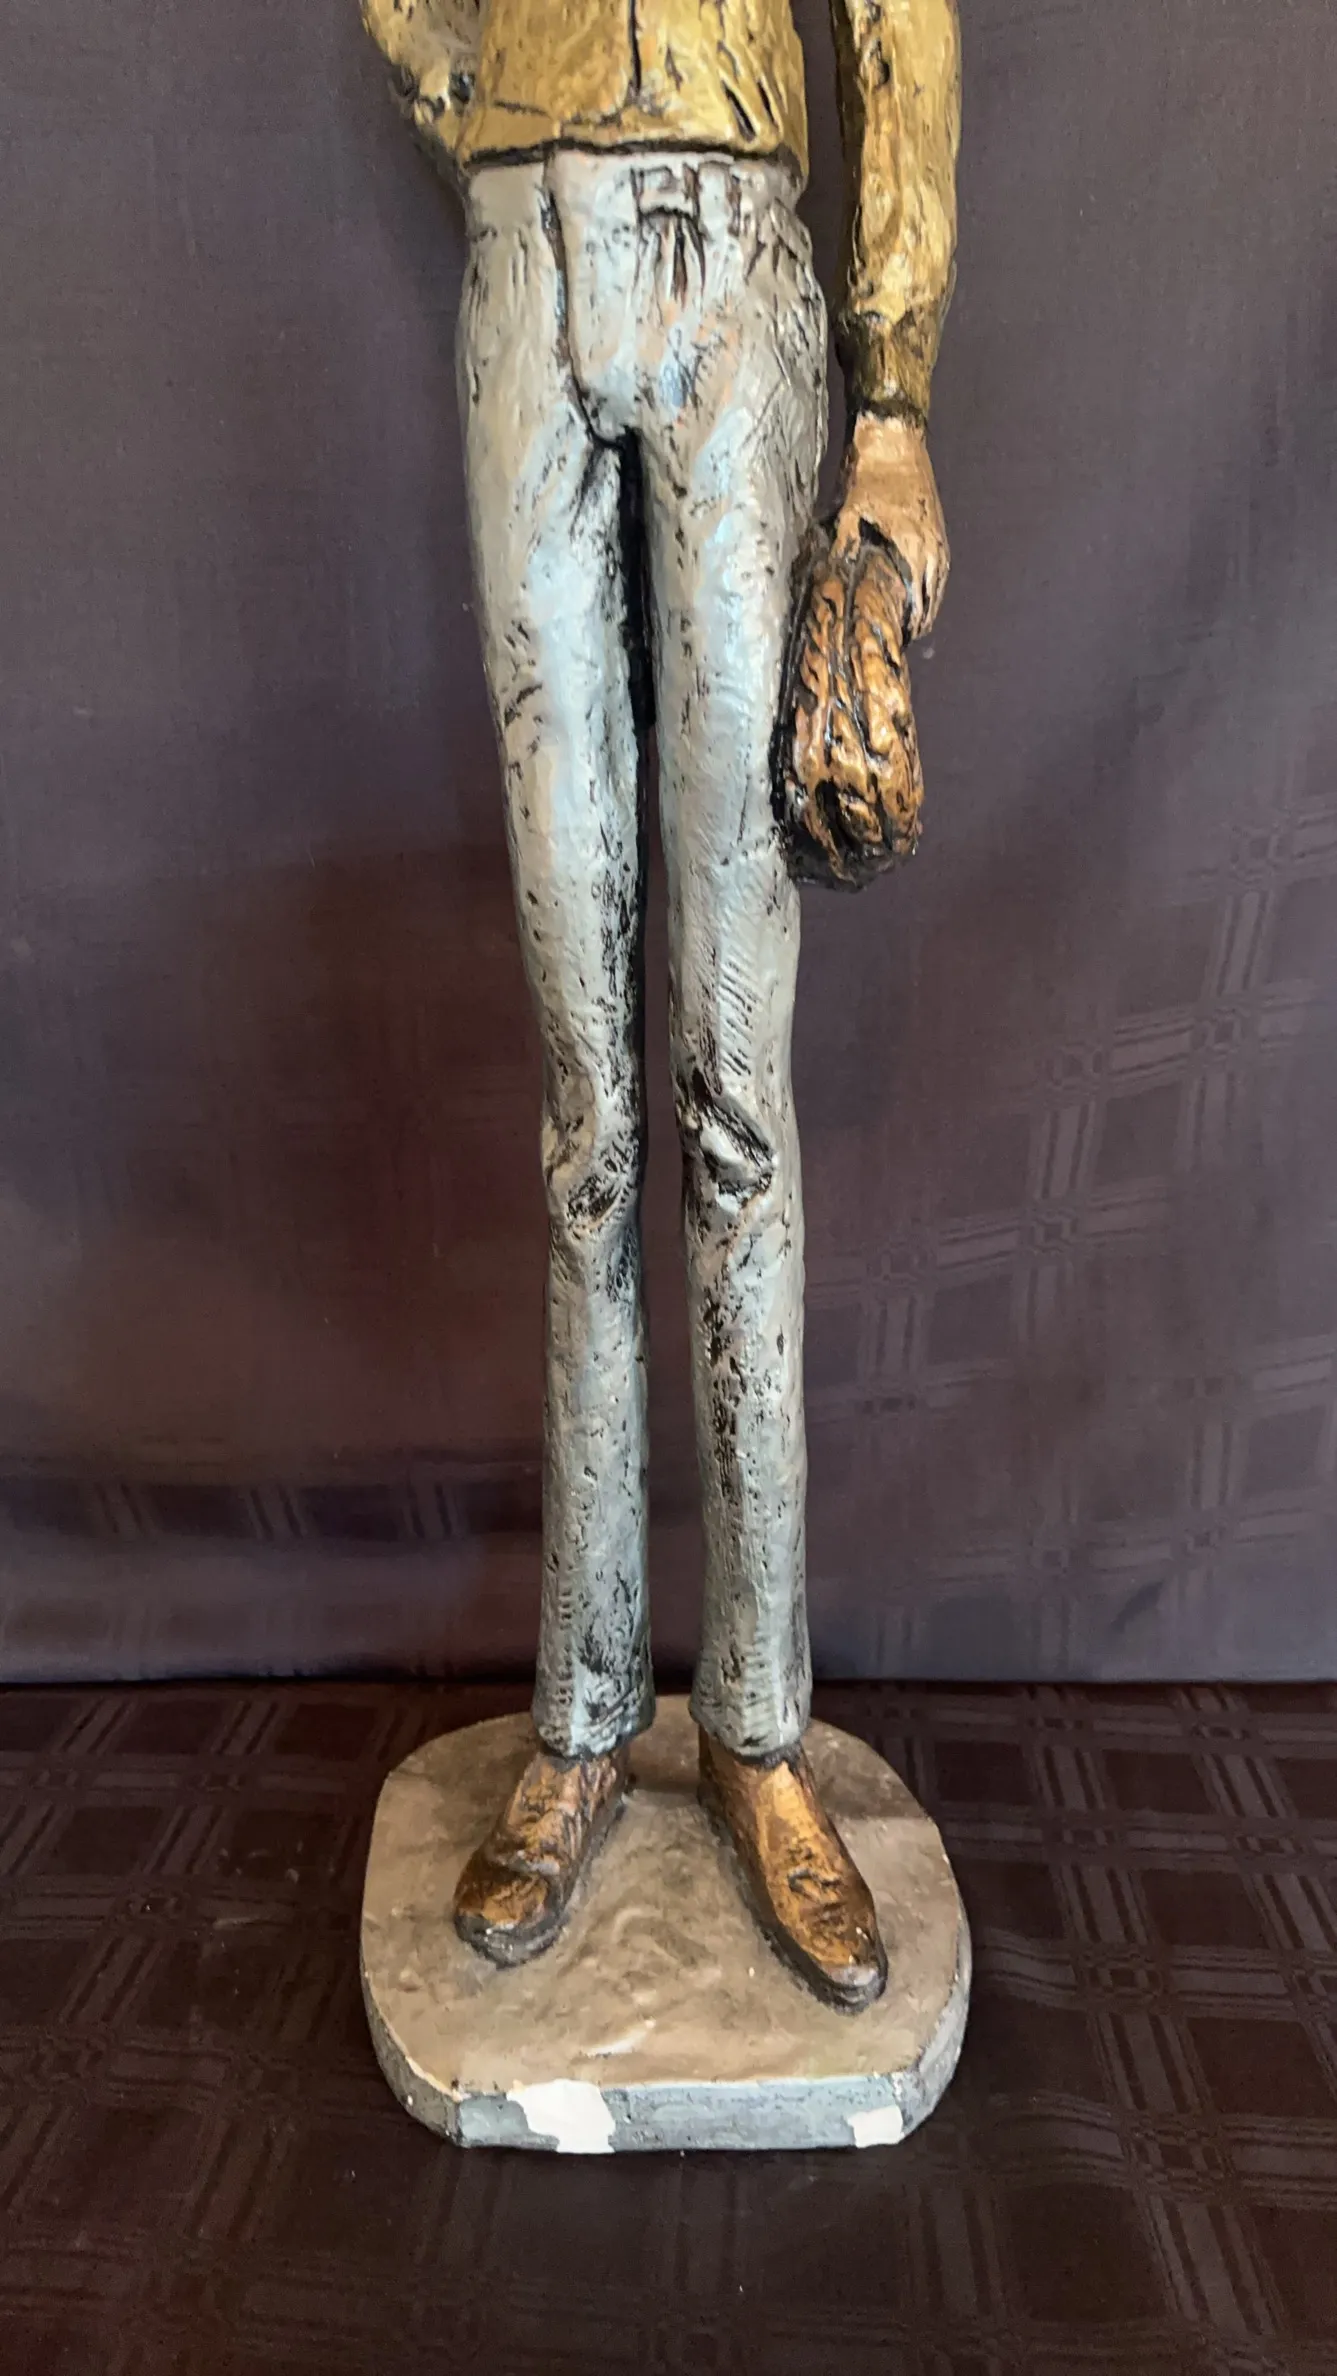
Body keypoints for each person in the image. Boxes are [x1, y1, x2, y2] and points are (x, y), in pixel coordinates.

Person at [362, 0, 960, 2010]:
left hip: (736, 262)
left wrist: (891, 391)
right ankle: (583, 1714)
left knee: (730, 1092)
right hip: (527, 259)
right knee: (589, 1119)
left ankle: (761, 1727)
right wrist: (479, 99)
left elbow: (898, 20)